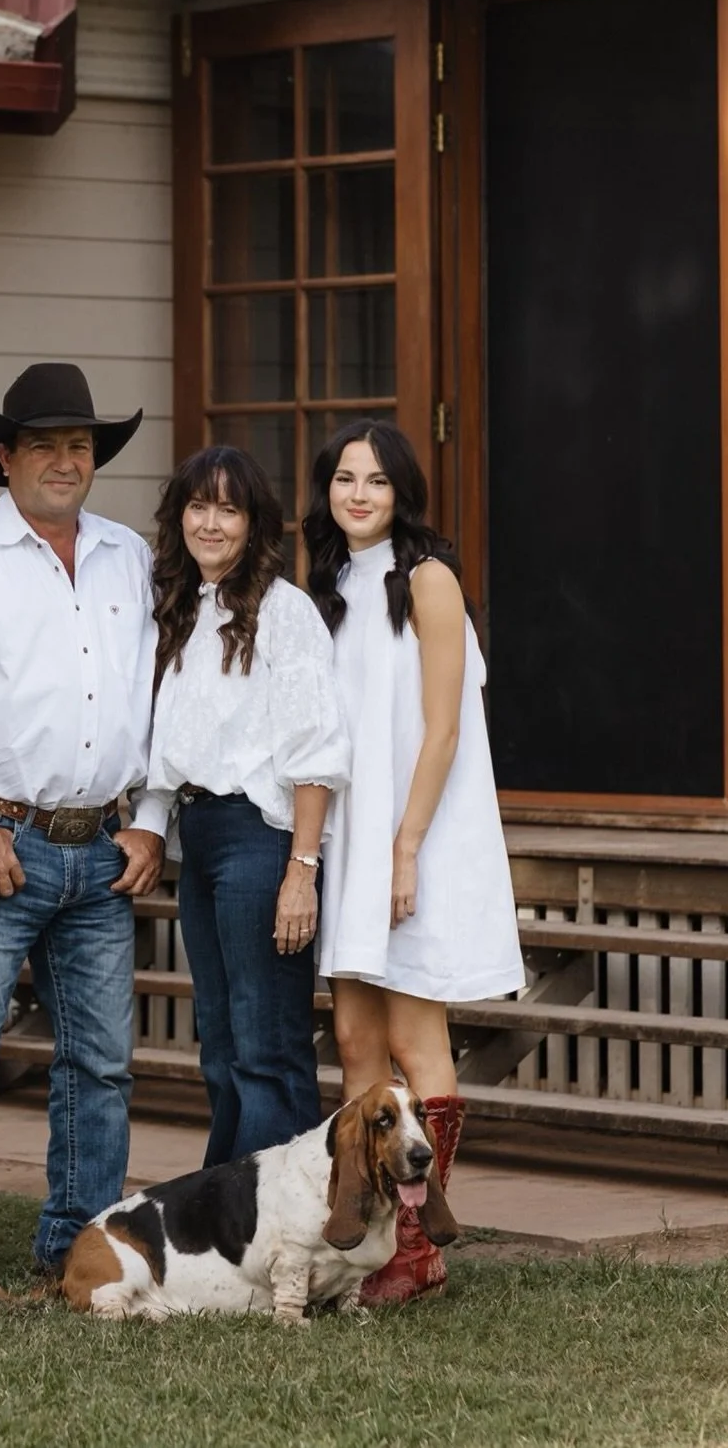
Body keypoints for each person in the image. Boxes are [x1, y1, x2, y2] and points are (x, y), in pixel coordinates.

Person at [0, 363, 168, 1293]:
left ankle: (77, 1247)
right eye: (44, 443)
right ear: (4, 457)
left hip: (104, 850)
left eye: (79, 445)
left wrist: (154, 820)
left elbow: (166, 702)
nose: (64, 460)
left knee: (102, 1067)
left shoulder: (131, 557)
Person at [304, 418, 524, 1304]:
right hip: (352, 835)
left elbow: (442, 729)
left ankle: (421, 1243)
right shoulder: (325, 585)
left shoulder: (427, 579)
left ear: (403, 493)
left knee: (411, 1035)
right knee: (355, 1038)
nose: (359, 493)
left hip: (416, 832)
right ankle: (371, 1232)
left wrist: (405, 846)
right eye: (345, 478)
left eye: (377, 480)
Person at [145, 445, 349, 1167]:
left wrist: (302, 868)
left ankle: (279, 1224)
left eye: (228, 508)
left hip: (260, 841)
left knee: (267, 1043)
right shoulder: (178, 608)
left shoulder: (285, 613)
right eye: (199, 505)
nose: (210, 522)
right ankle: (229, 1209)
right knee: (221, 1045)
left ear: (253, 521)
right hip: (197, 835)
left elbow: (318, 748)